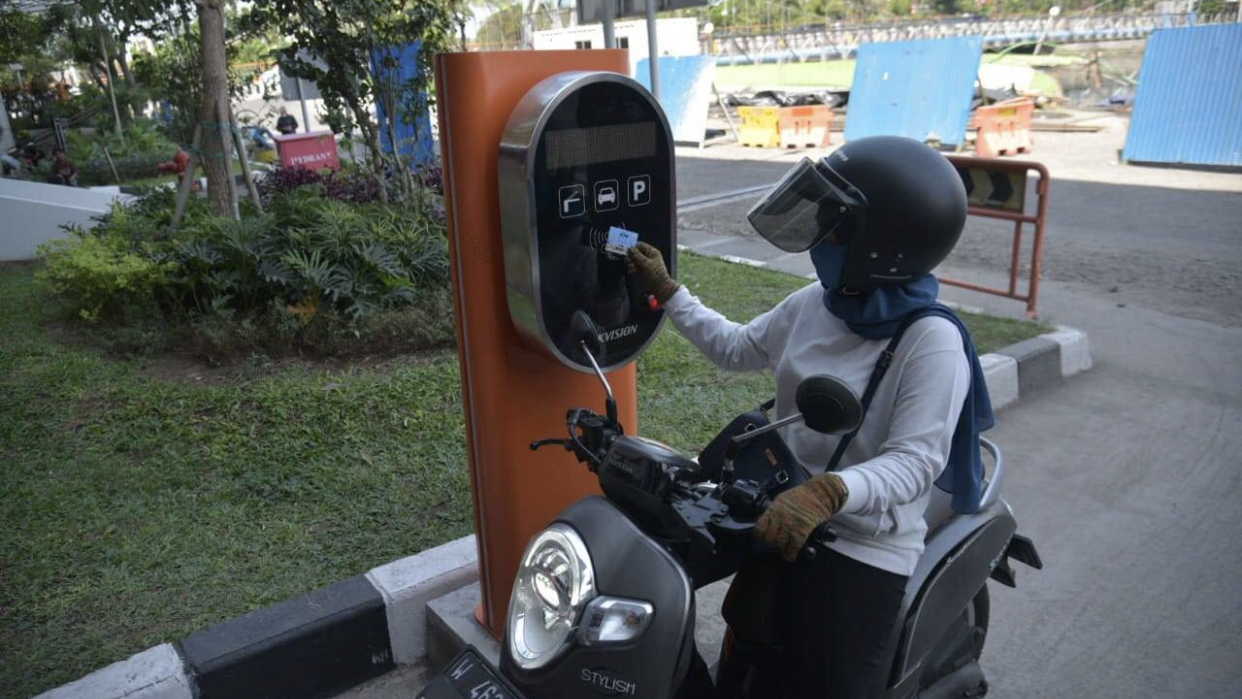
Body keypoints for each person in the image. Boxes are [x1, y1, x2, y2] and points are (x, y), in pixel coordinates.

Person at [627, 135, 994, 698]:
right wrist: (670, 292)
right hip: (779, 508)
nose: (820, 232)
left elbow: (917, 462)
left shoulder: (932, 342)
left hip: (862, 543)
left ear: (883, 242)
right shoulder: (817, 302)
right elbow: (734, 346)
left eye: (835, 221)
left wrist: (828, 494)